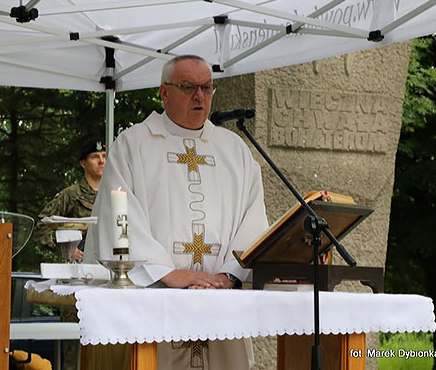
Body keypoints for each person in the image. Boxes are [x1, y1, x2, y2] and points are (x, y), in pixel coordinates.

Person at [86, 55, 269, 370]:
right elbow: (120, 217)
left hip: (219, 307)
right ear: (163, 92)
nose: (200, 96)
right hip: (155, 305)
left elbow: (252, 224)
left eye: (206, 87)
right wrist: (166, 273)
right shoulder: (133, 144)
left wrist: (227, 276)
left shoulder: (234, 150)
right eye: (188, 87)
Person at [32, 139, 106, 370]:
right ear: (83, 163)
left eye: (104, 156)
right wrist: (65, 248)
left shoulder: (116, 194)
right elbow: (42, 227)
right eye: (95, 157)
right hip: (77, 282)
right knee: (75, 349)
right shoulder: (71, 195)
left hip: (107, 280)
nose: (101, 161)